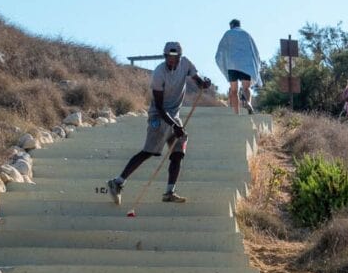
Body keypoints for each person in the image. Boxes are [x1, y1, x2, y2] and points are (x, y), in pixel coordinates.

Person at [106, 41, 211, 204]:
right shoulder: (158, 74)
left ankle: (169, 192)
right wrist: (175, 125)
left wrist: (203, 83)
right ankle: (117, 182)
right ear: (165, 56)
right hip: (159, 116)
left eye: (175, 57)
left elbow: (197, 79)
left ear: (180, 57)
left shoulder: (186, 64)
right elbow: (160, 107)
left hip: (174, 116)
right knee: (148, 152)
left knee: (178, 152)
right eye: (169, 56)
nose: (172, 60)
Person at [214, 19, 262, 115]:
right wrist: (256, 65)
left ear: (231, 25)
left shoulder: (228, 33)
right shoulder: (247, 34)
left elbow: (220, 51)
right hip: (246, 65)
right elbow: (255, 51)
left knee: (234, 90)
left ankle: (237, 113)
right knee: (246, 88)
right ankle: (248, 103)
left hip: (232, 65)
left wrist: (223, 63)